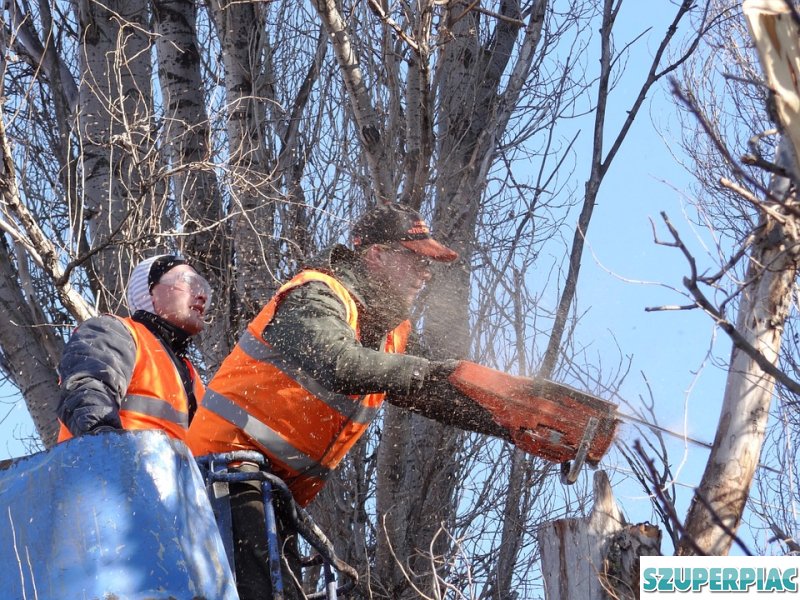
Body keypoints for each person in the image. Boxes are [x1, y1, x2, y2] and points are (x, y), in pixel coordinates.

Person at [187, 203, 510, 600]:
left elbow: (441, 392)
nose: (425, 274)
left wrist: (515, 421)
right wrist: (431, 370)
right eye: (416, 260)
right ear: (376, 254)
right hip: (223, 476)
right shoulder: (315, 294)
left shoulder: (390, 333)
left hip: (268, 491)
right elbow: (339, 362)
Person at [57, 254, 212, 443]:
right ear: (149, 293)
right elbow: (86, 390)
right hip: (111, 468)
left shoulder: (192, 377)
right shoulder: (114, 331)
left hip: (169, 471)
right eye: (189, 282)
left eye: (203, 288)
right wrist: (107, 444)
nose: (202, 295)